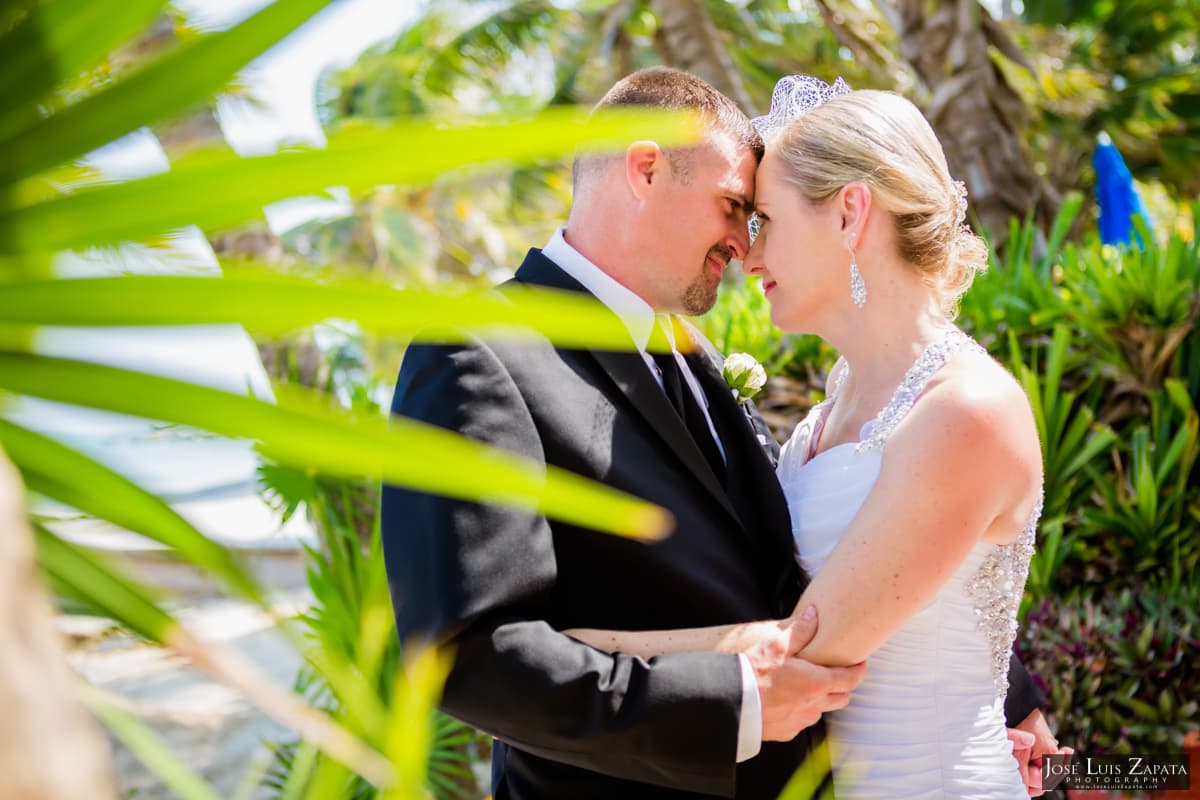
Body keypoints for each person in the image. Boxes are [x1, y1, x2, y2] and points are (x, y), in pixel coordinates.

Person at [381, 68, 1051, 799]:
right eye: (734, 206)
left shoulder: (698, 361)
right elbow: (466, 654)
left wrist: (1005, 701)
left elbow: (862, 561)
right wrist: (729, 687)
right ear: (644, 169)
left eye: (759, 217)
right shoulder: (479, 355)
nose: (743, 244)